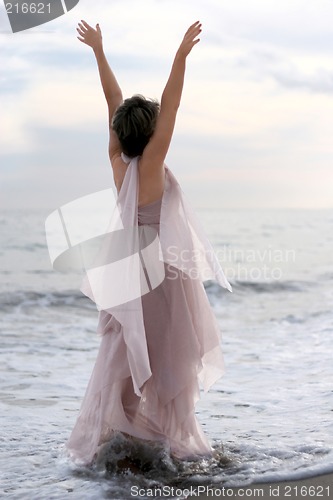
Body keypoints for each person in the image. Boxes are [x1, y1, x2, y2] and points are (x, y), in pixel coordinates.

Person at [67, 19, 232, 468]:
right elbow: (172, 107)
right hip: (163, 280)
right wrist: (180, 57)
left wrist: (98, 51)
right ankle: (169, 450)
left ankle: (117, 451)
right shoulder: (153, 166)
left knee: (124, 359)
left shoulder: (118, 164)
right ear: (153, 133)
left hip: (127, 280)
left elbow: (111, 101)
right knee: (168, 362)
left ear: (120, 135)